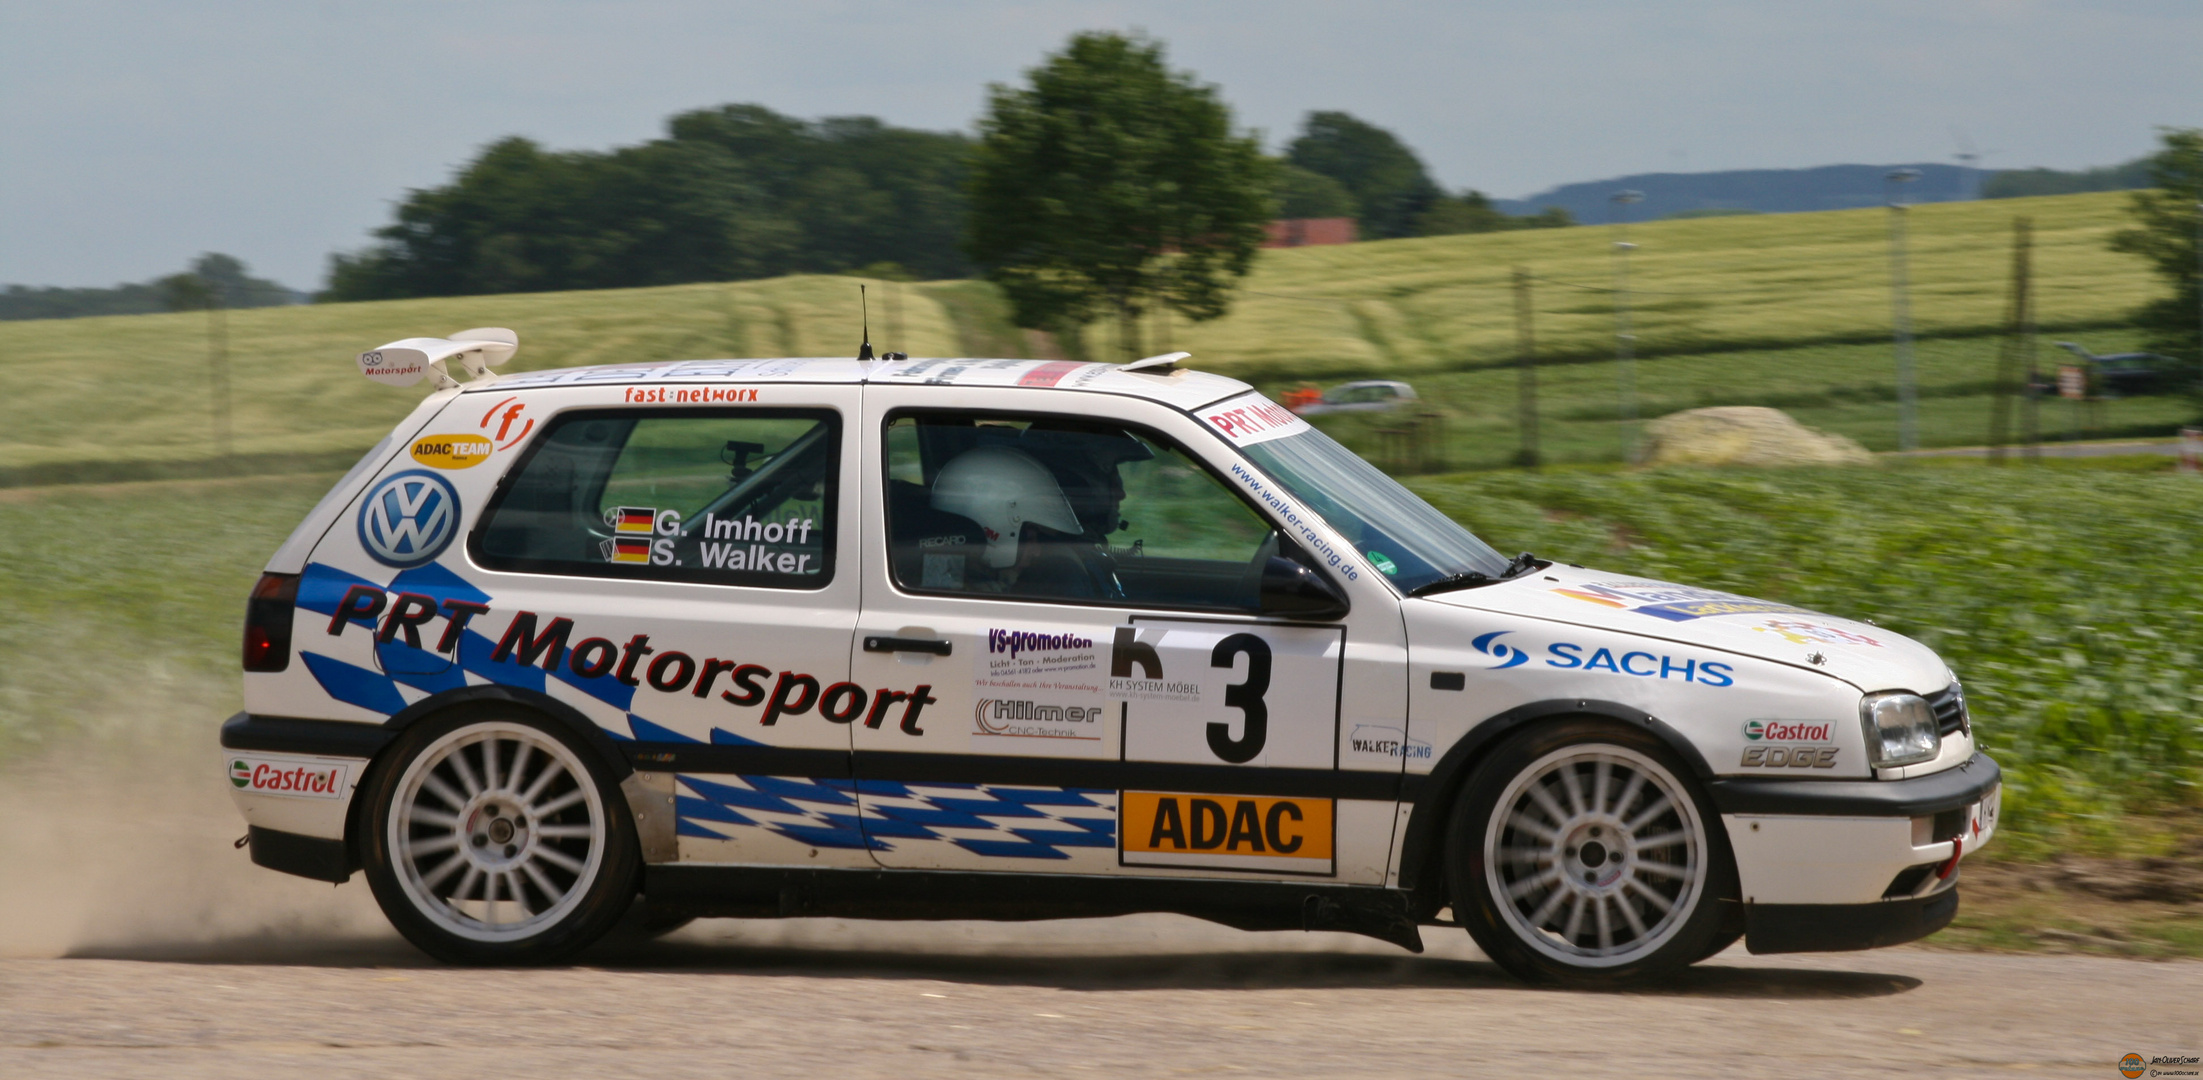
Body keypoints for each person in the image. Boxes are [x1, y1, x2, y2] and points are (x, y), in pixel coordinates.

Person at [928, 445, 1124, 600]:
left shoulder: (938, 585)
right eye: (1030, 537)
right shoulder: (976, 606)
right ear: (993, 529)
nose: (1038, 551)